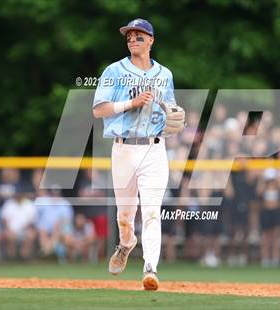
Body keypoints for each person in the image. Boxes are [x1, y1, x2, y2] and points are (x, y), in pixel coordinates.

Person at [92, 18, 183, 290]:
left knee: (153, 212)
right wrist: (131, 103)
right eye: (129, 36)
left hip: (155, 150)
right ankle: (126, 243)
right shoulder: (114, 71)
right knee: (125, 215)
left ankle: (150, 269)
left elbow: (170, 106)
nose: (132, 40)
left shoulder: (164, 74)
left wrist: (174, 114)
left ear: (151, 41)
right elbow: (99, 110)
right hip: (123, 149)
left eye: (139, 36)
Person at [1, 185, 37, 260]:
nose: (18, 195)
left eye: (20, 193)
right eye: (17, 193)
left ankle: (25, 257)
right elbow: (4, 219)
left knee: (30, 234)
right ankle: (12, 258)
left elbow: (32, 221)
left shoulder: (29, 204)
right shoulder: (8, 203)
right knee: (9, 235)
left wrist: (24, 229)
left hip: (25, 229)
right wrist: (9, 229)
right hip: (11, 230)